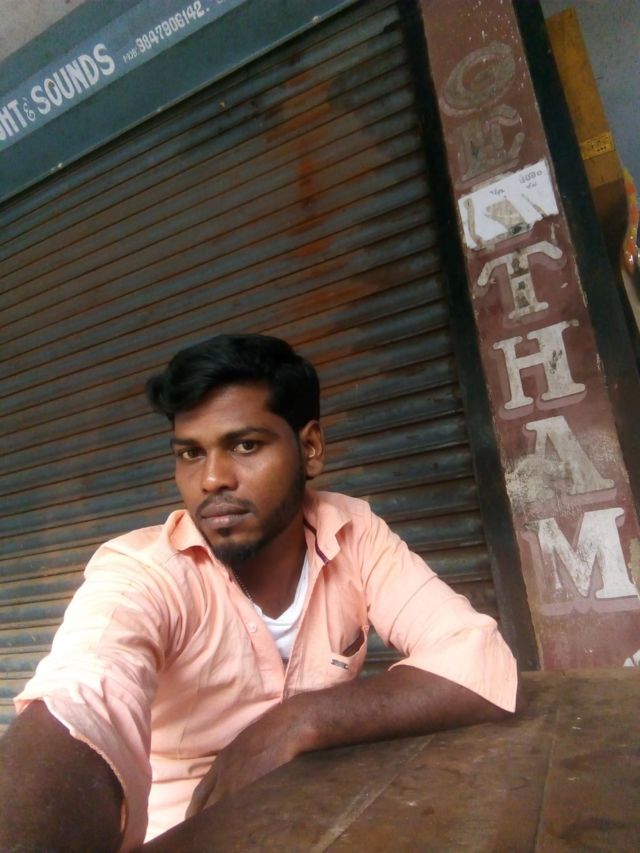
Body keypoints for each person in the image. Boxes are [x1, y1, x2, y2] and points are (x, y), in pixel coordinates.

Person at [0, 334, 518, 851]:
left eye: (245, 445)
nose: (212, 479)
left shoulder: (353, 533)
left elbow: (476, 658)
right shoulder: (143, 573)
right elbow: (83, 699)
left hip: (330, 819)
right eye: (190, 453)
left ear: (310, 449)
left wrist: (298, 721)